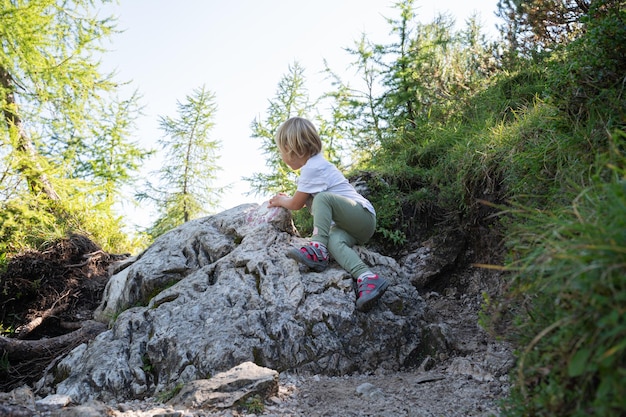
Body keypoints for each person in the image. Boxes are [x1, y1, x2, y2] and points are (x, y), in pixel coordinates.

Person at [267, 117, 389, 312]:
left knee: (323, 198)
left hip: (362, 215)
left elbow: (296, 204)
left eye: (281, 151)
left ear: (291, 148)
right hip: (354, 227)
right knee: (334, 241)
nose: (281, 156)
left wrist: (281, 200)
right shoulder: (314, 167)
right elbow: (302, 199)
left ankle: (317, 249)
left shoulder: (313, 167)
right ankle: (367, 278)